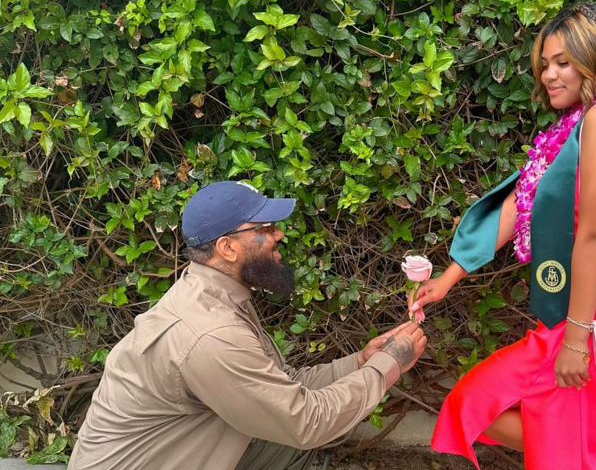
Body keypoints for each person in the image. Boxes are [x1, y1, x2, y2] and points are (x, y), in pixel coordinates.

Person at [409, 4, 596, 470]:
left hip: (592, 311)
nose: (549, 74)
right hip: (575, 306)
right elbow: (518, 203)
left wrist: (577, 340)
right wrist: (448, 278)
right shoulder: (572, 127)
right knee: (582, 431)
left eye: (563, 62)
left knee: (480, 404)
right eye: (545, 64)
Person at [69, 181, 427, 470]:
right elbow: (306, 422)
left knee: (288, 450)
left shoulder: (216, 293)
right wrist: (389, 365)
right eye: (264, 228)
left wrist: (360, 363)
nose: (279, 235)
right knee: (296, 440)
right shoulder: (211, 333)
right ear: (227, 247)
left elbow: (280, 384)